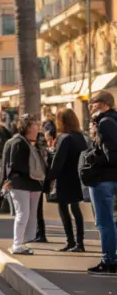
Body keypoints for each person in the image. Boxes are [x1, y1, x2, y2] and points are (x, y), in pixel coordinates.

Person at [2, 113, 47, 256]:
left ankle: (22, 242)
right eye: (35, 125)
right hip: (21, 184)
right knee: (23, 214)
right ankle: (17, 245)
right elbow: (13, 165)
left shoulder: (28, 142)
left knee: (30, 216)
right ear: (27, 127)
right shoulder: (18, 143)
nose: (37, 128)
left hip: (32, 185)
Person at [47, 108, 87, 253]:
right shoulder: (80, 137)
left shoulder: (65, 138)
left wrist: (49, 177)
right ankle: (80, 243)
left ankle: (70, 241)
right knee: (76, 210)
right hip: (77, 177)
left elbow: (58, 162)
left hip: (64, 178)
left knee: (63, 209)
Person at [86, 91, 117, 274]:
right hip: (112, 178)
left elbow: (109, 153)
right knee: (110, 222)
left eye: (94, 103)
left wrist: (93, 156)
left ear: (104, 104)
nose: (91, 107)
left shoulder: (105, 123)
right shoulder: (112, 120)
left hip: (104, 178)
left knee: (104, 222)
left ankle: (109, 260)